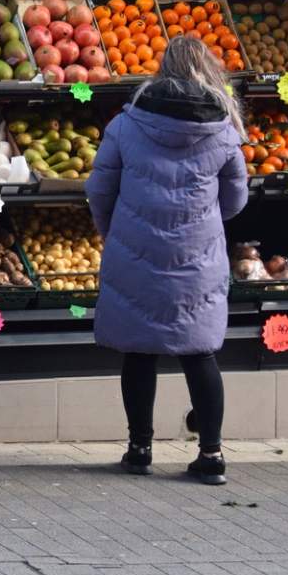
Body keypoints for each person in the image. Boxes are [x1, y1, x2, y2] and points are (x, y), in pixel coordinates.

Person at [85, 36, 248, 485]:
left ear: (162, 69)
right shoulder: (223, 130)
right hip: (199, 257)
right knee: (200, 353)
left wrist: (113, 230)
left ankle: (139, 449)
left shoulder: (127, 123)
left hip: (134, 250)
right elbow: (236, 197)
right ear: (208, 69)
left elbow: (99, 189)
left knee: (139, 351)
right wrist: (206, 221)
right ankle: (211, 454)